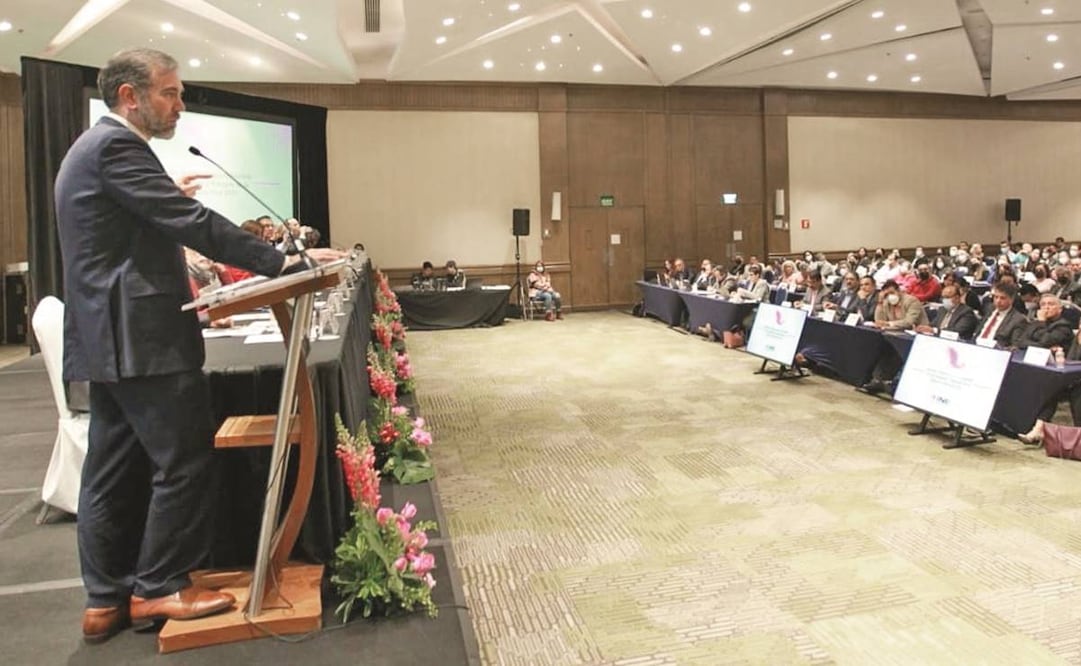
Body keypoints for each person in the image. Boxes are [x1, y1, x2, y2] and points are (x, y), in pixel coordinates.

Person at [54, 48, 344, 644]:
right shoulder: (115, 147)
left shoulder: (97, 151)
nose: (180, 104)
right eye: (170, 93)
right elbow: (192, 224)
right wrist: (282, 260)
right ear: (130, 96)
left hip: (112, 340)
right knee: (182, 459)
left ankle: (105, 600)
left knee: (110, 470)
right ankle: (159, 584)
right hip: (143, 340)